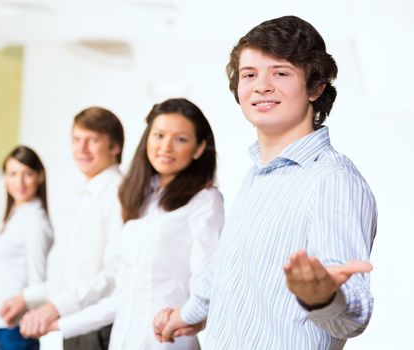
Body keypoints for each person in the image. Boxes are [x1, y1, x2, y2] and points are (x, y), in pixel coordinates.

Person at [154, 16, 378, 349]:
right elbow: (227, 270)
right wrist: (188, 314)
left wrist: (324, 297)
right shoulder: (257, 174)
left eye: (281, 73)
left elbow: (353, 315)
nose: (261, 86)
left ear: (316, 87)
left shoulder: (333, 181)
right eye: (249, 75)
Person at [43, 98, 224, 349]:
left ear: (198, 148)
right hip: (123, 341)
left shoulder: (205, 201)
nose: (165, 147)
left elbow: (208, 281)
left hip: (166, 342)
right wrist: (61, 325)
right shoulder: (140, 199)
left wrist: (186, 317)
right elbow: (123, 296)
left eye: (180, 139)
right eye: (159, 135)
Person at [11, 107, 125, 350]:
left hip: (101, 329)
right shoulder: (86, 195)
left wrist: (55, 308)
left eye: (92, 140)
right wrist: (28, 298)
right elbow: (75, 278)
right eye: (76, 139)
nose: (81, 149)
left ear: (115, 147)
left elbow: (116, 274)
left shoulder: (118, 193)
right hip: (77, 324)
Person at [0, 146, 53, 350]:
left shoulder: (35, 222)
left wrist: (25, 303)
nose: (20, 182)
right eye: (13, 174)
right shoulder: (14, 217)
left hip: (11, 332)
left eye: (28, 174)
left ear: (40, 177)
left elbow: (39, 281)